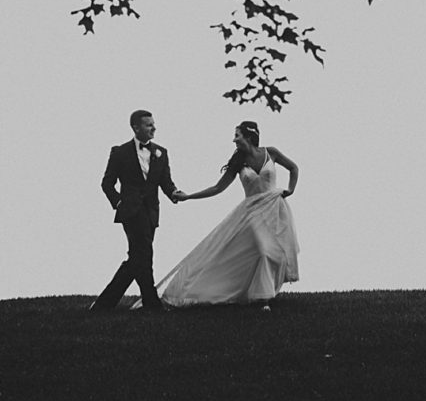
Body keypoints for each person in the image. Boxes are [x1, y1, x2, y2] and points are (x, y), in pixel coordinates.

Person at [144, 121, 299, 310]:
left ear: (249, 137)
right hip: (252, 212)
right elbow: (218, 188)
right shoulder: (238, 162)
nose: (234, 139)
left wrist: (290, 190)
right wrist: (189, 197)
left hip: (275, 208)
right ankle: (262, 300)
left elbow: (293, 168)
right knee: (263, 249)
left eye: (237, 135)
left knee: (276, 252)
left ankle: (262, 293)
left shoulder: (271, 152)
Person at [90, 109, 180, 312]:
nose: (153, 128)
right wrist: (119, 204)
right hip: (130, 212)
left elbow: (166, 182)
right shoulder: (119, 152)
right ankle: (152, 303)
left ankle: (103, 304)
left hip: (152, 213)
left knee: (138, 258)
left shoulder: (161, 153)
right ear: (135, 127)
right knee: (144, 253)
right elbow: (107, 183)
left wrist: (175, 193)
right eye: (149, 125)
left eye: (153, 124)